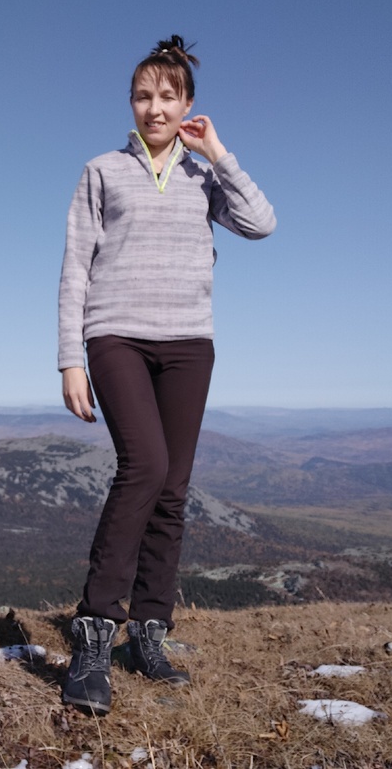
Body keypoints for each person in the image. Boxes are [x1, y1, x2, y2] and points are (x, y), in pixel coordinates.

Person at [57, 35, 276, 714]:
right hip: (115, 333)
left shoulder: (205, 176)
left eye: (168, 95)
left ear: (188, 103)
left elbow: (262, 223)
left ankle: (149, 632)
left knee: (174, 488)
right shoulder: (101, 170)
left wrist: (220, 154)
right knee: (145, 466)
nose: (154, 106)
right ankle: (94, 633)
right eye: (144, 95)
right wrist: (70, 356)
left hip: (190, 343)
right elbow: (74, 267)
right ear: (131, 101)